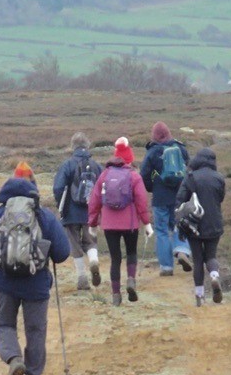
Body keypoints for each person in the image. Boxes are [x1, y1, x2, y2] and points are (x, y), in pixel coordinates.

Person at [0, 177, 70, 375]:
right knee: (35, 331)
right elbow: (63, 253)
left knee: (5, 325)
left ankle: (14, 359)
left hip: (5, 283)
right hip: (36, 285)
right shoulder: (43, 216)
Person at [87, 137, 152, 306]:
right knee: (131, 253)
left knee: (115, 258)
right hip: (129, 224)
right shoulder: (134, 176)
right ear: (130, 158)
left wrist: (93, 224)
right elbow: (141, 202)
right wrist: (147, 223)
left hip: (109, 225)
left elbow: (94, 202)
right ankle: (131, 279)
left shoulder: (104, 175)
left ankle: (116, 295)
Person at [175, 147, 226, 307]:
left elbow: (180, 200)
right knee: (211, 256)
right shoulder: (219, 178)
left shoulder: (190, 177)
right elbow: (221, 198)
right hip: (214, 223)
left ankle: (199, 296)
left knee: (197, 260)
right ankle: (214, 276)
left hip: (193, 225)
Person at [52, 132, 103, 291]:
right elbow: (103, 188)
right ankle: (94, 260)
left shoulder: (67, 165)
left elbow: (58, 187)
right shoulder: (96, 165)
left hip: (70, 212)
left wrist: (61, 204)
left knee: (74, 243)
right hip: (91, 211)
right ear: (87, 146)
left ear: (72, 146)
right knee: (91, 241)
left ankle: (82, 278)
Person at [140, 122, 192, 276]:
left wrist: (153, 188)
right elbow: (190, 170)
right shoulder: (181, 149)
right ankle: (182, 250)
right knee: (179, 225)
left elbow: (144, 175)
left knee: (162, 231)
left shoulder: (153, 152)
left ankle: (166, 267)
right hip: (180, 196)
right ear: (168, 132)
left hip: (161, 198)